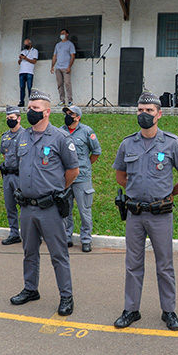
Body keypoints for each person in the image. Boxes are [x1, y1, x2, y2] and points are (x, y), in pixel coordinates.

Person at [112, 91, 178, 331]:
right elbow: (120, 175)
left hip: (160, 214)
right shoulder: (128, 143)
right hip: (135, 214)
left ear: (159, 114)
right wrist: (137, 189)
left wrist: (169, 193)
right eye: (140, 110)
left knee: (164, 265)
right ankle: (131, 309)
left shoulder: (171, 142)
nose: (144, 114)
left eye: (149, 111)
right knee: (133, 264)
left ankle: (169, 311)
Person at [9, 89, 79, 317]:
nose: (30, 112)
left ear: (47, 112)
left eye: (35, 108)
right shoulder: (22, 136)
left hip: (50, 208)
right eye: (29, 108)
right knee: (29, 251)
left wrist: (57, 190)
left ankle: (66, 296)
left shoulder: (60, 138)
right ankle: (30, 289)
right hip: (27, 207)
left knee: (58, 254)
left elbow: (73, 171)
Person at [61, 105, 101, 252]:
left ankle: (86, 239)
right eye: (67, 113)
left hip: (82, 177)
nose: (67, 115)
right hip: (65, 177)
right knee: (66, 209)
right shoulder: (60, 131)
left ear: (78, 117)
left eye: (71, 114)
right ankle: (66, 237)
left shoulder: (87, 131)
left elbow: (96, 151)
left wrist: (85, 165)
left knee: (84, 210)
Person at [0, 106, 23, 246]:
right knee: (10, 206)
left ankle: (28, 233)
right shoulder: (5, 136)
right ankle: (14, 233)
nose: (10, 120)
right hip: (8, 175)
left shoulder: (26, 135)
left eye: (12, 118)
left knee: (25, 207)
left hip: (21, 176)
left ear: (19, 118)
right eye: (8, 118)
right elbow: (4, 154)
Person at [51, 29, 76, 106]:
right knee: (59, 84)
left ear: (67, 34)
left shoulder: (70, 44)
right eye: (61, 33)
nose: (62, 34)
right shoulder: (57, 45)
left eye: (63, 33)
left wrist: (69, 66)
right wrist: (52, 66)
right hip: (58, 67)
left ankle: (70, 101)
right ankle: (62, 100)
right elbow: (55, 56)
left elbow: (73, 56)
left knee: (67, 83)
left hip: (66, 67)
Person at [17, 38, 38, 107]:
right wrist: (20, 59)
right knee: (22, 87)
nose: (25, 45)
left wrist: (25, 58)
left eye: (26, 44)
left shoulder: (34, 51)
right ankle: (21, 101)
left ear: (30, 44)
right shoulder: (23, 51)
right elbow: (19, 63)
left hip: (29, 72)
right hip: (22, 72)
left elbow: (34, 61)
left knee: (29, 87)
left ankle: (31, 102)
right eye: (24, 44)